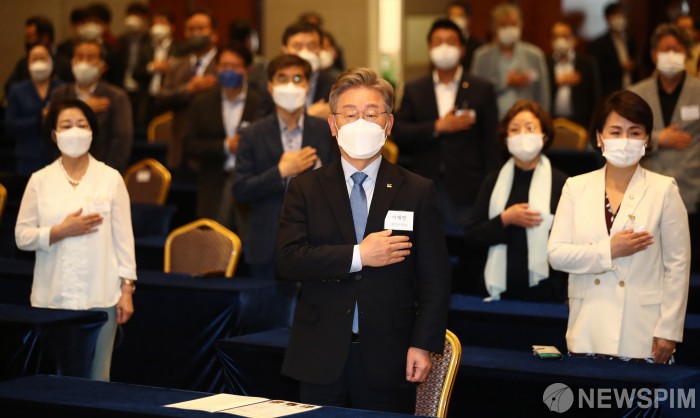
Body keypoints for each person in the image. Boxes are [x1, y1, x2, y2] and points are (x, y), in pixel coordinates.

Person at [276, 67, 451, 413]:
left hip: (391, 355)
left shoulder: (416, 190)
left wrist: (423, 344)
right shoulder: (305, 188)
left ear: (388, 123)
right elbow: (288, 260)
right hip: (319, 354)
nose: (361, 123)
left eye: (371, 114)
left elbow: (436, 280)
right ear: (333, 124)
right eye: (350, 114)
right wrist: (359, 255)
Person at [548, 90, 690, 364]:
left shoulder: (664, 189)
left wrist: (669, 330)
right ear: (599, 137)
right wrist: (609, 250)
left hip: (643, 329)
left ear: (646, 139)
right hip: (588, 324)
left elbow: (677, 266)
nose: (625, 140)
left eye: (634, 132)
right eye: (615, 132)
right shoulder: (575, 187)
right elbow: (557, 255)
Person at [15, 98, 137, 381]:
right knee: (55, 380)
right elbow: (22, 236)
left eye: (81, 125)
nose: (74, 131)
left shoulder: (110, 178)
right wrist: (59, 231)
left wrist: (127, 289)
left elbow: (124, 239)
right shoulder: (40, 180)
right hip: (51, 298)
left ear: (92, 132)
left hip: (100, 295)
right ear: (54, 134)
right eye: (66, 125)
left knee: (97, 379)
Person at [233, 54, 338, 279]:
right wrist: (280, 172)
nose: (290, 85)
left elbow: (339, 186)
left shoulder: (325, 131)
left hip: (316, 242)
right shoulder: (252, 134)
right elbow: (240, 190)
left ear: (307, 86)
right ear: (270, 87)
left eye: (298, 79)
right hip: (266, 245)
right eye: (282, 78)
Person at [393, 18, 501, 229]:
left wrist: (492, 188)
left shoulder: (482, 88)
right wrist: (437, 127)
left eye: (450, 41)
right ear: (429, 48)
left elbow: (492, 144)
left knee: (467, 243)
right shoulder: (414, 89)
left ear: (462, 49)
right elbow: (400, 132)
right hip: (424, 184)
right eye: (438, 41)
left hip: (468, 187)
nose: (444, 47)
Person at [465, 100, 568, 302]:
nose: (523, 135)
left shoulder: (563, 183)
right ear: (506, 139)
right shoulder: (493, 181)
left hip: (547, 291)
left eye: (530, 128)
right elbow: (472, 236)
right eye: (514, 129)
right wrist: (504, 219)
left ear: (544, 135)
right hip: (499, 289)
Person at [628, 23, 700, 272]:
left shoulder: (697, 90)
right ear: (653, 54)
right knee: (648, 267)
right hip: (647, 193)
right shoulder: (635, 94)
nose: (670, 54)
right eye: (664, 49)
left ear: (686, 53)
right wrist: (658, 139)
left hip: (692, 192)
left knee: (687, 268)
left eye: (676, 49)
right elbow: (624, 139)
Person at [185, 42, 265, 237]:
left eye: (234, 66)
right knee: (213, 244)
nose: (228, 71)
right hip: (214, 184)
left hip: (251, 186)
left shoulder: (261, 103)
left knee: (250, 243)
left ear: (247, 69)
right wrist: (225, 146)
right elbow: (189, 144)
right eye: (224, 65)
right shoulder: (201, 103)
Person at [49, 39, 133, 172]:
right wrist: (83, 108)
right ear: (72, 62)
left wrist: (107, 174)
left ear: (103, 66)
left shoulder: (116, 97)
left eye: (90, 57)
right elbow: (49, 133)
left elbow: (121, 141)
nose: (84, 62)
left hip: (102, 171)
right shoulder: (59, 94)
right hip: (62, 170)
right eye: (79, 57)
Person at [155, 9, 218, 170]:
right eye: (191, 29)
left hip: (211, 149)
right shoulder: (176, 64)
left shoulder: (222, 64)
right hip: (179, 148)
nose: (195, 33)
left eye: (201, 28)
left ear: (214, 34)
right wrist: (189, 89)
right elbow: (161, 98)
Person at [471, 3, 550, 119]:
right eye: (503, 25)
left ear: (521, 25)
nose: (508, 29)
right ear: (494, 28)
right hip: (493, 121)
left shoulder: (535, 55)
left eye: (513, 24)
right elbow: (476, 91)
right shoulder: (482, 56)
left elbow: (543, 94)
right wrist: (505, 82)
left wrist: (541, 120)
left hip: (528, 121)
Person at [5, 44, 63, 175]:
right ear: (27, 63)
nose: (39, 62)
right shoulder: (17, 90)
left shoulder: (62, 88)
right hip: (27, 158)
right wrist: (38, 120)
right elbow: (10, 124)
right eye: (34, 59)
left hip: (57, 156)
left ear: (51, 61)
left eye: (42, 58)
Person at [546, 20, 600, 128]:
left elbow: (595, 96)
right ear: (551, 41)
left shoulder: (587, 63)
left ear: (574, 39)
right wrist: (557, 81)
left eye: (565, 36)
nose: (560, 41)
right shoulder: (544, 63)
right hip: (551, 121)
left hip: (580, 122)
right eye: (556, 37)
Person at [4, 16, 73, 96]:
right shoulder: (23, 63)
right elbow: (9, 87)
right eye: (27, 37)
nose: (27, 41)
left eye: (30, 37)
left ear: (45, 37)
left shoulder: (64, 64)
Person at [279, 22, 336, 118]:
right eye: (297, 46)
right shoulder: (273, 85)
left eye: (311, 46)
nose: (305, 52)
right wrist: (307, 116)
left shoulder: (335, 85)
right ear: (285, 51)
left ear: (320, 50)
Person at [590, 3, 637, 98]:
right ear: (607, 18)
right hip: (610, 93)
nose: (620, 19)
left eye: (622, 15)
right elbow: (596, 70)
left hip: (630, 89)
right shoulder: (598, 43)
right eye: (616, 15)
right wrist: (621, 67)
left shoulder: (630, 40)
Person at [118, 2, 151, 129]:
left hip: (142, 90)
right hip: (122, 87)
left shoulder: (150, 41)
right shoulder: (120, 41)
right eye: (131, 15)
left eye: (138, 16)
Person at [446, 1, 483, 72]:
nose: (456, 20)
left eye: (460, 16)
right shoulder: (444, 45)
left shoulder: (479, 47)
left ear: (469, 19)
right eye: (452, 16)